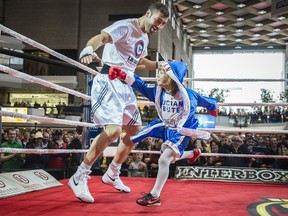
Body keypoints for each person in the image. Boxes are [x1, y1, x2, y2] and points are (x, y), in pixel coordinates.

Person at [68, 2, 169, 203]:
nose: (159, 26)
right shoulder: (126, 26)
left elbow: (139, 62)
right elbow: (102, 37)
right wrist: (88, 48)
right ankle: (79, 175)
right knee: (113, 131)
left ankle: (112, 173)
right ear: (148, 13)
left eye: (164, 23)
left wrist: (163, 64)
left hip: (126, 85)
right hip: (109, 81)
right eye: (158, 20)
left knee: (135, 132)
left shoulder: (145, 37)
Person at [108, 61, 218, 206]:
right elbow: (139, 84)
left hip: (181, 131)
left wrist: (213, 108)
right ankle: (192, 153)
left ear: (171, 77)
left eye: (161, 73)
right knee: (170, 157)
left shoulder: (189, 96)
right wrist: (122, 75)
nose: (157, 75)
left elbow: (208, 102)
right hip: (165, 127)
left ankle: (155, 196)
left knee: (164, 159)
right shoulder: (158, 92)